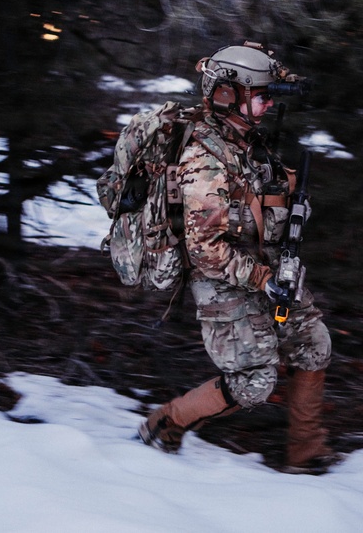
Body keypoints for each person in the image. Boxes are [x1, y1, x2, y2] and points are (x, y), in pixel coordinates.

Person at [137, 42, 339, 474]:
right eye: (260, 96)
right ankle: (164, 423)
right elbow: (205, 249)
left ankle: (306, 453)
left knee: (313, 343)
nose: (267, 104)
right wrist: (265, 279)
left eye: (268, 96)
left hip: (266, 266)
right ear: (229, 95)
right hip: (225, 277)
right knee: (254, 382)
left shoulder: (245, 141)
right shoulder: (203, 159)